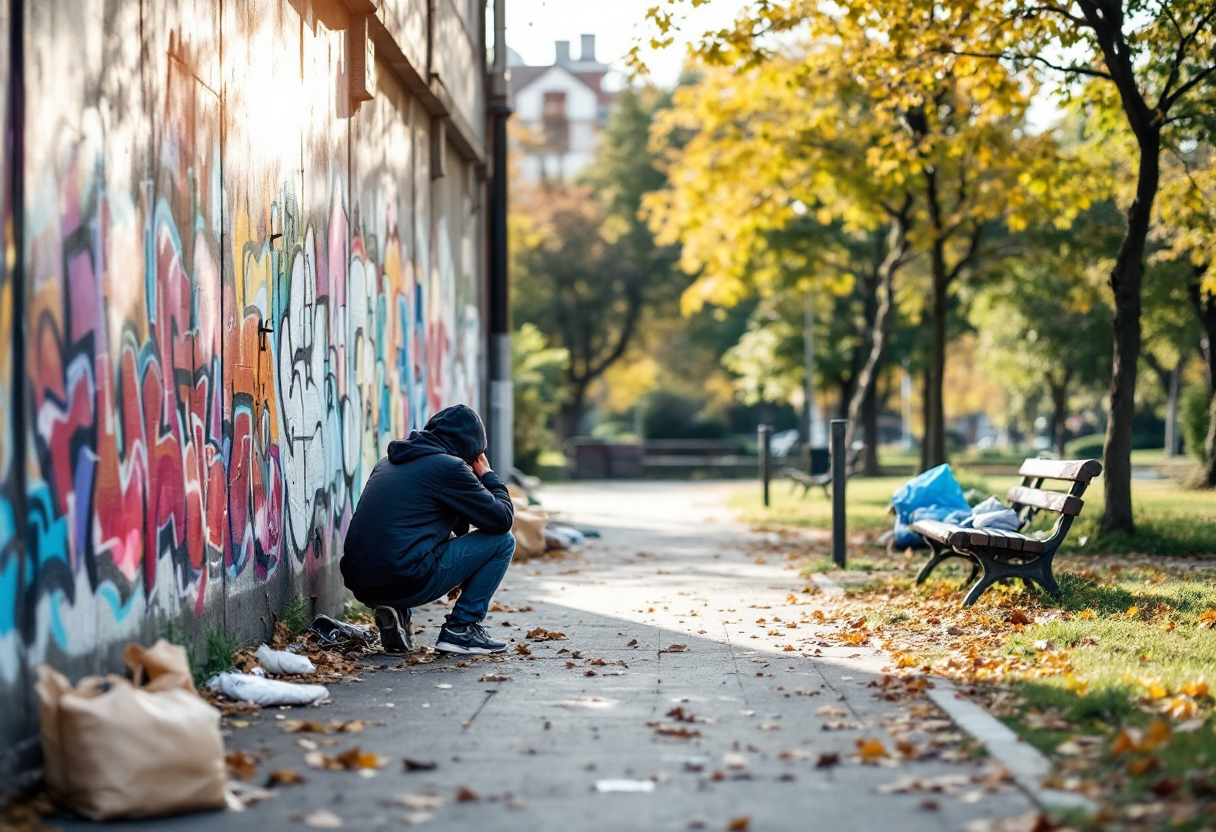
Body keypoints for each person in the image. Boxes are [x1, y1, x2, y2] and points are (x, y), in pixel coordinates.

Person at [341, 404, 515, 655]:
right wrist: (487, 475)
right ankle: (461, 629)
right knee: (503, 541)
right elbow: (501, 519)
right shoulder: (450, 468)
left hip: (361, 581)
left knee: (403, 548)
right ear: (473, 447)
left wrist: (460, 568)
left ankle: (395, 612)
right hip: (405, 576)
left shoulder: (388, 463)